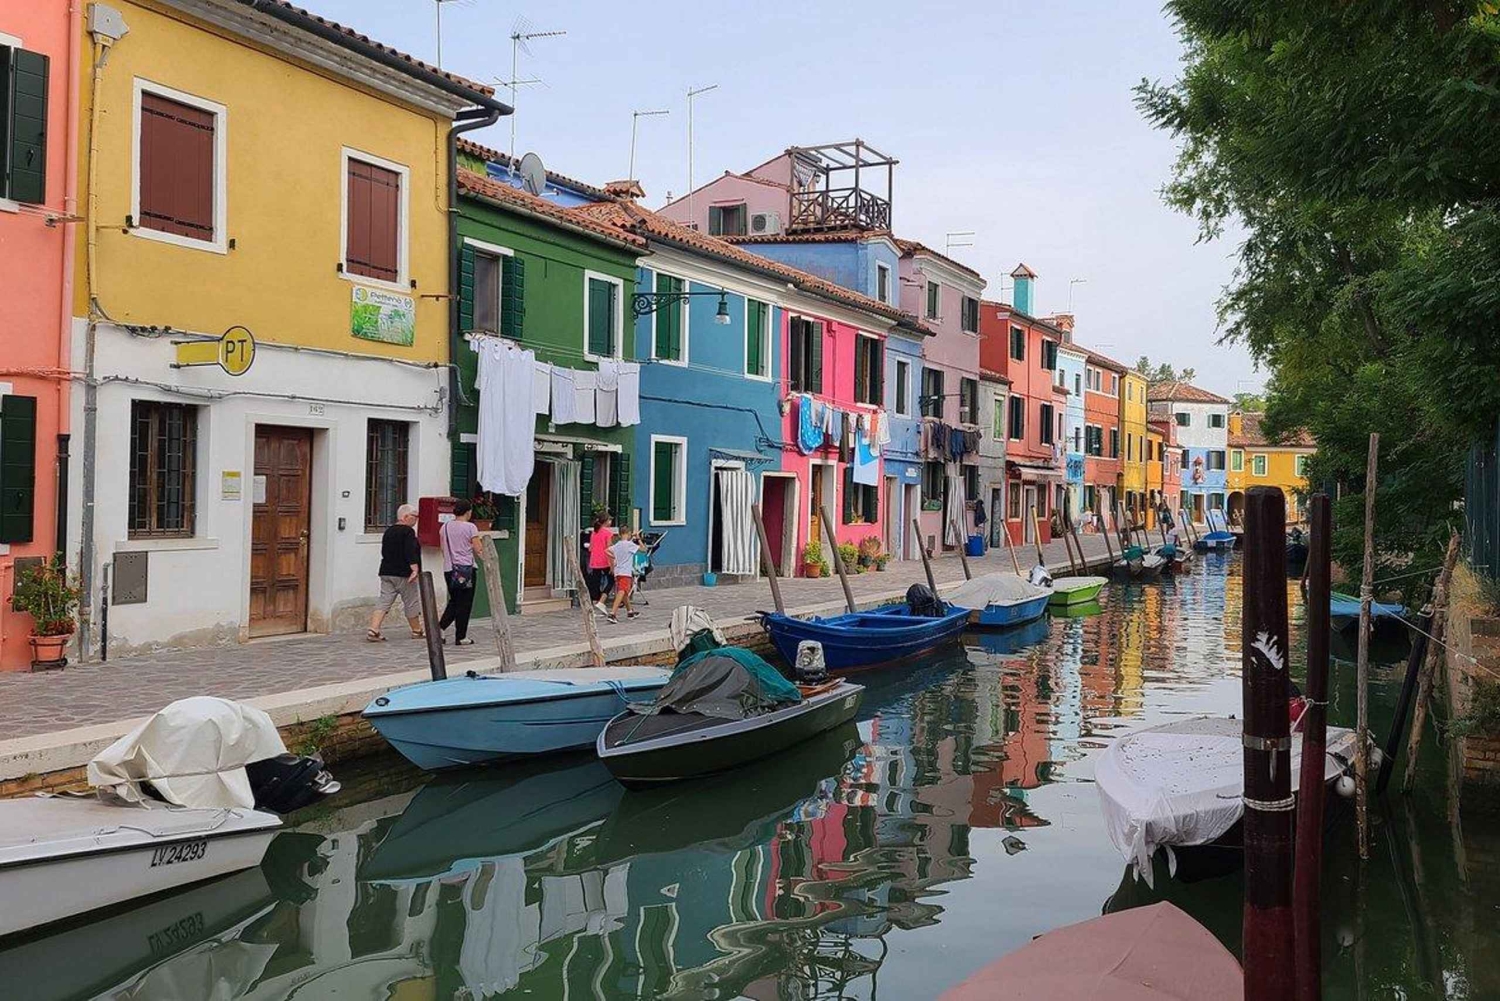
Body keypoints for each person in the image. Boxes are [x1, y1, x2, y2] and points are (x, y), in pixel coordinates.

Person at [369, 503, 423, 641]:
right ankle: (416, 630)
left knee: (384, 600)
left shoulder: (389, 531)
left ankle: (374, 629)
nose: (417, 519)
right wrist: (414, 568)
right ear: (405, 517)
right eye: (415, 516)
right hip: (403, 573)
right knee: (411, 601)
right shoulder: (408, 532)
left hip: (386, 571)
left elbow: (385, 551)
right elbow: (410, 551)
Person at [438, 501, 484, 646]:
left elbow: (442, 548)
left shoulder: (444, 527)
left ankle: (439, 628)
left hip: (449, 569)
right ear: (468, 512)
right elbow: (478, 548)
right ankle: (460, 636)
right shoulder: (470, 527)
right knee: (465, 604)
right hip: (466, 570)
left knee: (455, 600)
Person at [606, 527, 641, 623]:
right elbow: (643, 549)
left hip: (617, 572)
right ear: (629, 533)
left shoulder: (617, 545)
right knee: (622, 591)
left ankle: (630, 611)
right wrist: (638, 538)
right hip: (626, 572)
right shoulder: (630, 545)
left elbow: (607, 551)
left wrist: (614, 557)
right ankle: (612, 613)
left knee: (624, 592)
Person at [586, 512, 615, 615]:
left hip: (594, 560)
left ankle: (595, 602)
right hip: (605, 560)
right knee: (611, 580)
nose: (611, 522)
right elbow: (609, 549)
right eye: (610, 520)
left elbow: (590, 548)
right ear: (606, 522)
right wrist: (612, 564)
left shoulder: (594, 532)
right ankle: (603, 599)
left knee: (596, 582)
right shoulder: (608, 533)